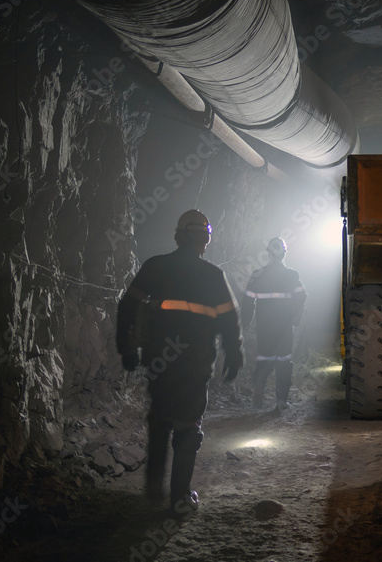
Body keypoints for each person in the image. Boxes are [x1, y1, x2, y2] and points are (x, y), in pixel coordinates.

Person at [115, 209, 243, 515]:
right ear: (205, 241)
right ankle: (180, 497)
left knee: (160, 419)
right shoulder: (213, 275)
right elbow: (229, 319)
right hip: (196, 364)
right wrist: (234, 353)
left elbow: (127, 306)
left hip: (160, 361)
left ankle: (153, 489)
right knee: (187, 426)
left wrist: (127, 347)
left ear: (178, 235)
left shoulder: (156, 266)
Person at [240, 237, 306, 410]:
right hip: (285, 326)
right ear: (284, 253)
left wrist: (246, 322)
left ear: (268, 253)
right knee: (283, 360)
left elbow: (247, 301)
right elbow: (301, 297)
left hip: (264, 326)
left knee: (264, 358)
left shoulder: (258, 275)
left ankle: (258, 394)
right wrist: (296, 318)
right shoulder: (292, 276)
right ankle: (281, 401)